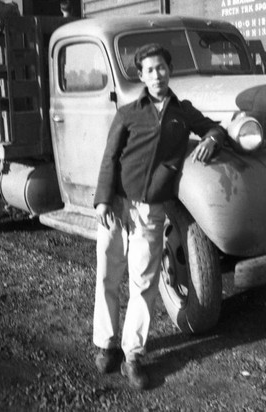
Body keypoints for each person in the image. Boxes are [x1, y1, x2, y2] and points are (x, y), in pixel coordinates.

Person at [92, 43, 225, 390]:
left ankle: (132, 355)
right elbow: (109, 159)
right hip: (119, 206)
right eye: (149, 70)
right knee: (108, 273)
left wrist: (212, 138)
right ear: (141, 76)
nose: (157, 75)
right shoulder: (128, 113)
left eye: (162, 68)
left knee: (144, 282)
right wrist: (104, 201)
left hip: (151, 210)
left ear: (170, 69)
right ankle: (106, 344)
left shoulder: (182, 112)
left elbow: (215, 128)